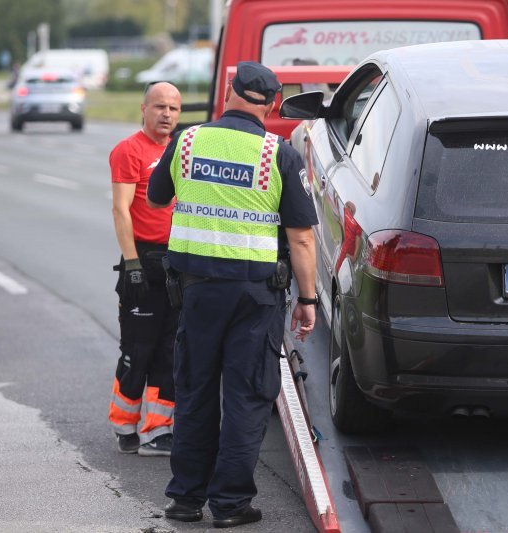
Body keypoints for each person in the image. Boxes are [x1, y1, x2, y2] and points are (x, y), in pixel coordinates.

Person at [147, 61, 318, 528]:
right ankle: (229, 505)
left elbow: (157, 198)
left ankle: (185, 500)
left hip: (196, 294)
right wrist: (308, 300)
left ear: (229, 92)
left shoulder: (186, 140)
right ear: (272, 104)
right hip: (254, 298)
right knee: (246, 397)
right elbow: (301, 238)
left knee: (196, 391)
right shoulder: (278, 154)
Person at [108, 81, 182, 457]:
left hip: (178, 264)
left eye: (173, 108)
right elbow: (121, 209)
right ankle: (124, 423)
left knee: (170, 351)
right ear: (144, 109)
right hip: (143, 261)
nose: (166, 114)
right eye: (159, 107)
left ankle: (157, 430)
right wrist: (133, 263)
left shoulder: (183, 149)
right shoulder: (128, 151)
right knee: (138, 349)